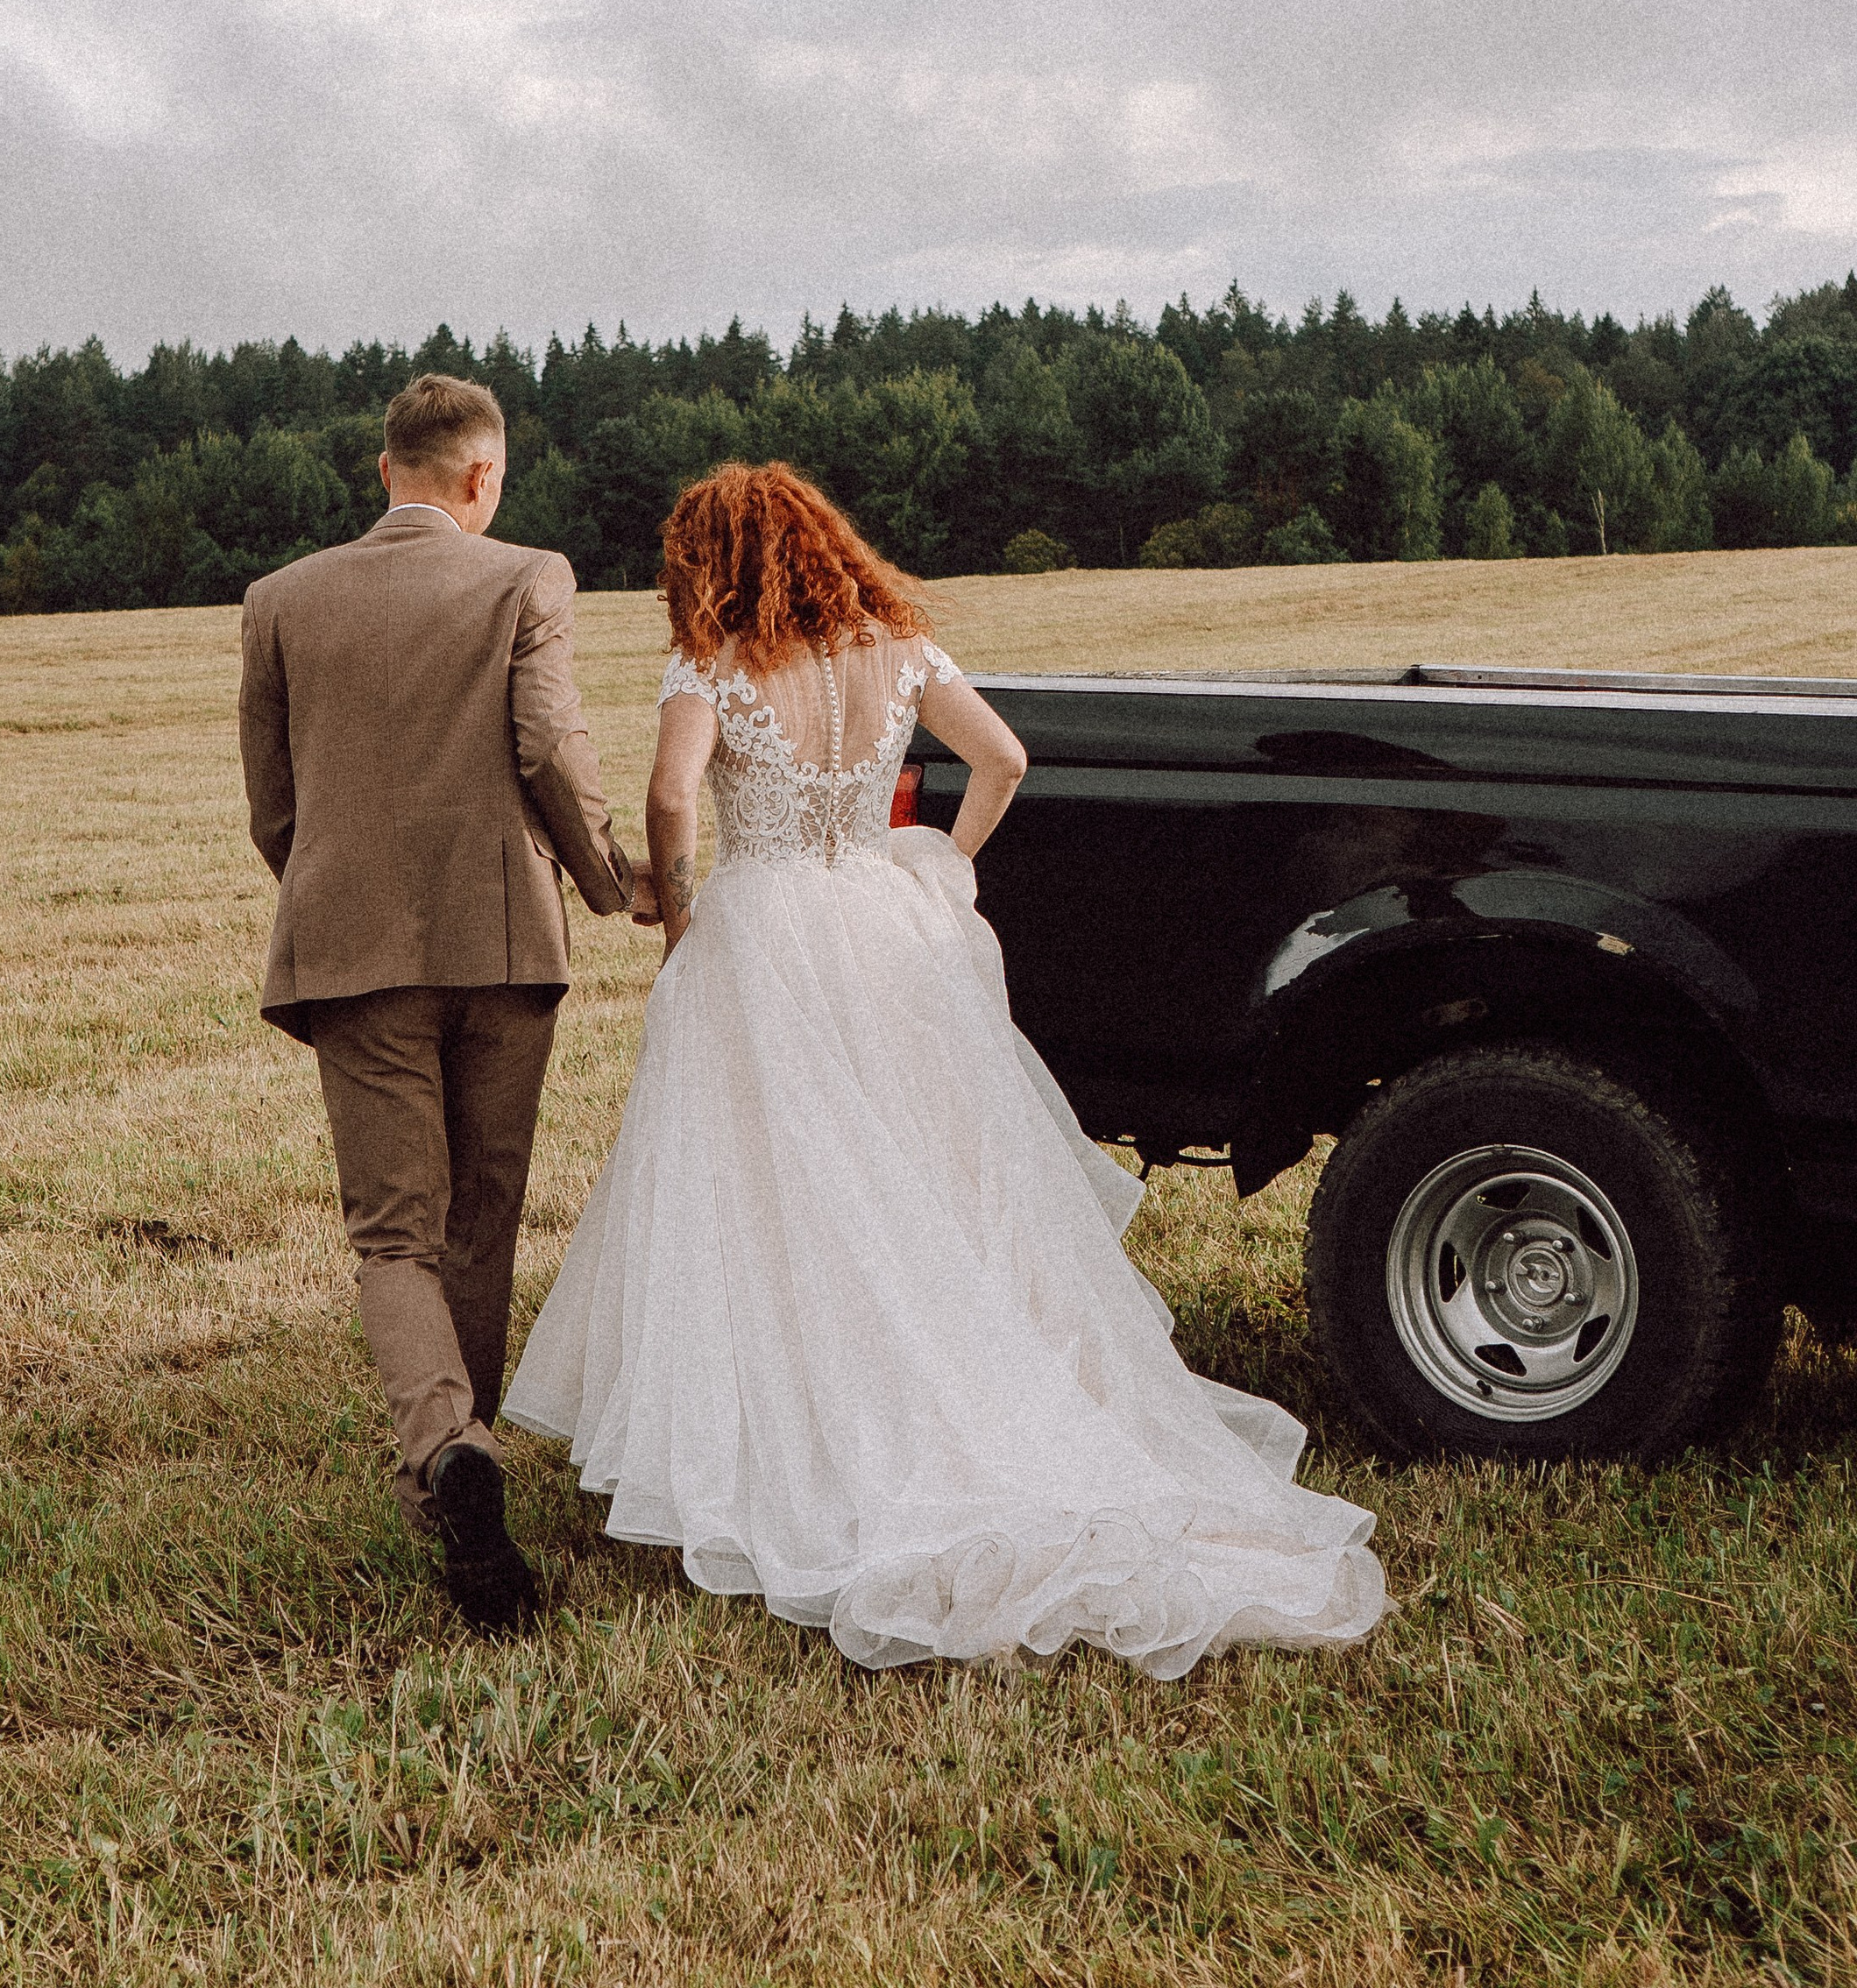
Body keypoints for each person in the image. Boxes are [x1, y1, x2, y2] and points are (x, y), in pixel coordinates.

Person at [504, 461, 1386, 1673]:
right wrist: (942, 862)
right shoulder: (897, 647)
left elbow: (668, 796)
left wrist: (679, 914)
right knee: (918, 1173)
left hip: (765, 931)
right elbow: (1007, 759)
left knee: (771, 1191)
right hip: (886, 919)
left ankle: (797, 1438)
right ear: (823, 546)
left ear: (710, 562)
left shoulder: (712, 664)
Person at [237, 371, 651, 1636]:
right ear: (482, 479)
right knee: (482, 1215)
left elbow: (274, 799)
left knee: (393, 1235)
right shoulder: (528, 577)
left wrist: (338, 893)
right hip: (504, 942)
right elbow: (549, 749)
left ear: (384, 472)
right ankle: (462, 1462)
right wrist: (610, 879)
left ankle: (447, 1452)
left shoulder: (281, 600)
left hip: (353, 947)